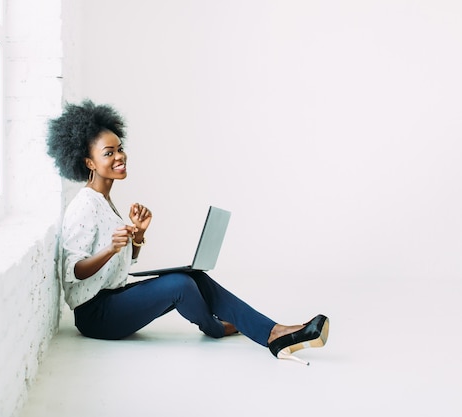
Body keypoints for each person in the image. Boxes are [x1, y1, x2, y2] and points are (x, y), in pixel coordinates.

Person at [46, 100, 329, 365]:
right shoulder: (84, 205)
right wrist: (109, 249)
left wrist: (138, 238)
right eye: (109, 153)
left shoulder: (105, 202)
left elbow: (121, 265)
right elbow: (74, 271)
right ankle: (219, 328)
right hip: (96, 315)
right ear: (89, 163)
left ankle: (275, 332)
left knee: (193, 277)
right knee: (179, 285)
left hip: (112, 298)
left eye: (119, 148)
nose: (120, 156)